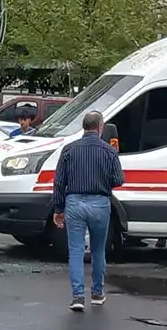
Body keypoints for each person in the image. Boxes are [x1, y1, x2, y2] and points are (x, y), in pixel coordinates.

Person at [51, 110, 123, 311]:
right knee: (98, 250)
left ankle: (78, 297)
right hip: (100, 202)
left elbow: (59, 182)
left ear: (83, 126)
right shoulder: (109, 151)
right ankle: (98, 293)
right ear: (100, 127)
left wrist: (59, 208)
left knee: (75, 250)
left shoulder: (69, 149)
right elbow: (119, 179)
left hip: (74, 202)